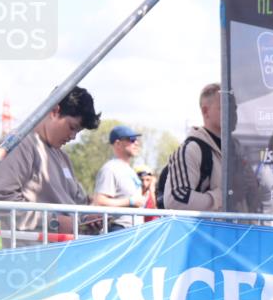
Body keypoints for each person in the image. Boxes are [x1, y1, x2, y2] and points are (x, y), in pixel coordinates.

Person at [0, 86, 102, 244]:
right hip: (32, 259)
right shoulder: (18, 144)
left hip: (64, 257)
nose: (73, 136)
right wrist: (54, 223)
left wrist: (87, 218)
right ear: (54, 111)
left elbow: (78, 200)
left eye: (78, 132)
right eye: (72, 127)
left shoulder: (62, 157)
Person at [161, 83, 223, 211]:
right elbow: (175, 200)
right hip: (206, 230)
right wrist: (221, 197)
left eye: (234, 107)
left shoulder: (238, 150)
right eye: (225, 107)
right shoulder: (192, 149)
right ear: (205, 111)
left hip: (239, 230)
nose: (233, 112)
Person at [93, 125, 146, 230]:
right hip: (119, 229)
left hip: (134, 229)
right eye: (131, 139)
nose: (136, 143)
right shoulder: (110, 168)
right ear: (118, 144)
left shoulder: (129, 169)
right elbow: (99, 202)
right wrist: (130, 201)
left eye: (136, 140)